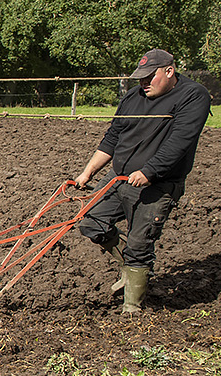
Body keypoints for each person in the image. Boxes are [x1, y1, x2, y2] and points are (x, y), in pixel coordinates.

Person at [73, 48, 211, 314]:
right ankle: (131, 270)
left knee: (139, 244)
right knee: (91, 222)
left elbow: (180, 141)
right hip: (119, 178)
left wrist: (149, 171)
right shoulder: (132, 97)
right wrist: (88, 171)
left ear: (169, 71)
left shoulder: (193, 96)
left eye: (150, 77)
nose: (144, 83)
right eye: (140, 78)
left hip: (156, 185)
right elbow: (113, 137)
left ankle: (132, 309)